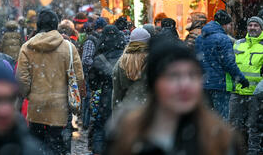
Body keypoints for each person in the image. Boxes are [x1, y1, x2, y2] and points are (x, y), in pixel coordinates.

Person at [103, 38, 242, 155]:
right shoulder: (126, 136)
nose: (185, 84)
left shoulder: (220, 139)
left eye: (192, 75)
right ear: (154, 83)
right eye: (173, 76)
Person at [16, 9, 85, 154]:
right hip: (60, 108)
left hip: (36, 107)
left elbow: (22, 80)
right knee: (58, 146)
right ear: (56, 25)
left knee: (37, 146)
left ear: (38, 25)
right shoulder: (68, 47)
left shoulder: (27, 48)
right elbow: (79, 78)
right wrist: (79, 99)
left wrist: (30, 95)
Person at [195, 10, 246, 120]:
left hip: (203, 84)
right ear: (225, 24)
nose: (231, 28)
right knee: (221, 120)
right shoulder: (223, 39)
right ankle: (219, 137)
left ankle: (206, 137)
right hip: (220, 85)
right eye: (230, 25)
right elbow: (229, 63)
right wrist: (241, 79)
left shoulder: (199, 38)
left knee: (206, 119)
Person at [87, 25, 126, 154]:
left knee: (100, 130)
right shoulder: (127, 59)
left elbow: (93, 84)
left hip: (105, 101)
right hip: (124, 101)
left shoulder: (99, 60)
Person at [228, 16, 263, 155]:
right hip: (237, 92)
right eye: (250, 25)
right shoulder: (238, 44)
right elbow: (230, 64)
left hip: (256, 94)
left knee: (254, 126)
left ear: (261, 28)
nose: (252, 28)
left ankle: (253, 152)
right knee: (234, 125)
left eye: (256, 25)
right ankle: (237, 150)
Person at [112, 28, 151, 112]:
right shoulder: (153, 60)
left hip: (127, 111)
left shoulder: (121, 62)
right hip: (149, 111)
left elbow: (117, 95)